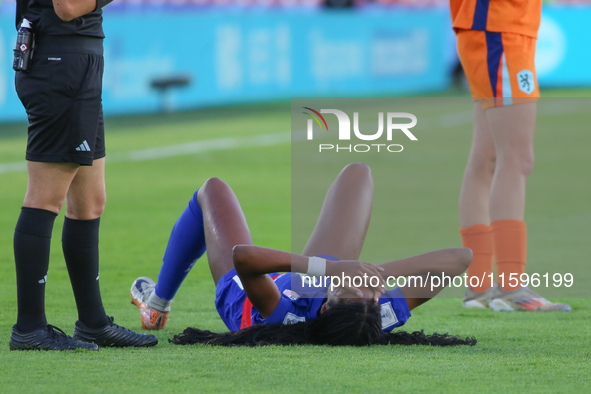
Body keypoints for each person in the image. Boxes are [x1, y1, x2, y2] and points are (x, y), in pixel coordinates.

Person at [131, 163, 476, 346]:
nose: (371, 290)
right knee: (358, 173)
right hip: (314, 278)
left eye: (354, 287)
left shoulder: (282, 316)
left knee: (213, 189)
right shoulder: (371, 314)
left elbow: (245, 258)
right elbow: (460, 258)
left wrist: (334, 268)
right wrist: (372, 271)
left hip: (244, 287)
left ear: (327, 305)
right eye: (373, 293)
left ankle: (156, 306)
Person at [9, 0, 157, 350]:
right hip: (61, 63)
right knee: (45, 198)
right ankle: (29, 328)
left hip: (76, 61)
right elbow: (68, 6)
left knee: (89, 202)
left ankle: (93, 323)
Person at [450, 0, 570, 311]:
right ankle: (510, 286)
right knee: (515, 159)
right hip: (500, 26)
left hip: (494, 27)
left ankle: (480, 287)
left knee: (486, 161)